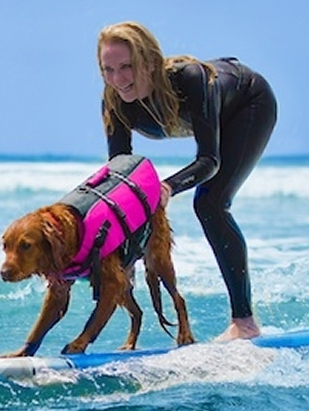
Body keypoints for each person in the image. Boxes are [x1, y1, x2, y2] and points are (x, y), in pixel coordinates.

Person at [96, 21, 277, 340]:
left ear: (149, 62)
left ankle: (245, 323)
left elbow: (209, 160)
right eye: (108, 70)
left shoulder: (190, 80)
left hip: (248, 103)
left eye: (127, 67)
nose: (118, 80)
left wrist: (167, 187)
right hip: (219, 110)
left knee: (210, 203)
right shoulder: (114, 101)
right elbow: (120, 173)